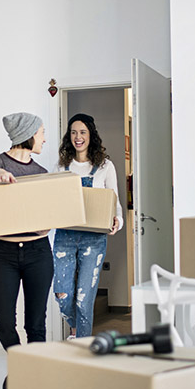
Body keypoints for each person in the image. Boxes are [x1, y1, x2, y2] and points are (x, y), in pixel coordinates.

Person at [0, 112, 54, 389]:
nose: (44, 138)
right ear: (29, 134)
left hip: (38, 251)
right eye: (42, 132)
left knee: (36, 322)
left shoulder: (41, 173)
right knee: (4, 320)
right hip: (4, 253)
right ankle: (22, 366)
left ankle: (31, 380)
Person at [53, 113, 123, 339]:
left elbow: (115, 204)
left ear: (91, 135)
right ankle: (75, 329)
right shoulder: (61, 166)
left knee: (84, 300)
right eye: (73, 132)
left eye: (82, 132)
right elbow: (51, 202)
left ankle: (80, 344)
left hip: (93, 240)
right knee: (63, 294)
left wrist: (117, 221)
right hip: (64, 236)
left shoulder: (104, 166)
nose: (78, 137)